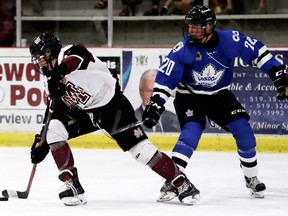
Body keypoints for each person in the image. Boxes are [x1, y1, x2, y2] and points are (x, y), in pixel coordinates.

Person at [28, 32, 200, 206]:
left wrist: (60, 72)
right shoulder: (48, 78)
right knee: (53, 129)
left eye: (41, 57)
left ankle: (181, 182)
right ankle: (72, 184)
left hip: (113, 107)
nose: (39, 62)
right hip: (85, 114)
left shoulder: (70, 53)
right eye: (36, 59)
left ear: (52, 52)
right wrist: (42, 139)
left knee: (142, 152)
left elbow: (80, 56)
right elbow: (54, 109)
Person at [142, 5, 288, 202]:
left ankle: (251, 177)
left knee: (244, 131)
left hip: (220, 95)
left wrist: (276, 72)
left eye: (197, 27)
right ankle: (171, 179)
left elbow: (258, 51)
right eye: (190, 26)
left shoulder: (230, 40)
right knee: (191, 132)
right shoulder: (183, 49)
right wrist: (156, 103)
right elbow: (166, 78)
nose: (191, 31)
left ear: (210, 26)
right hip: (190, 96)